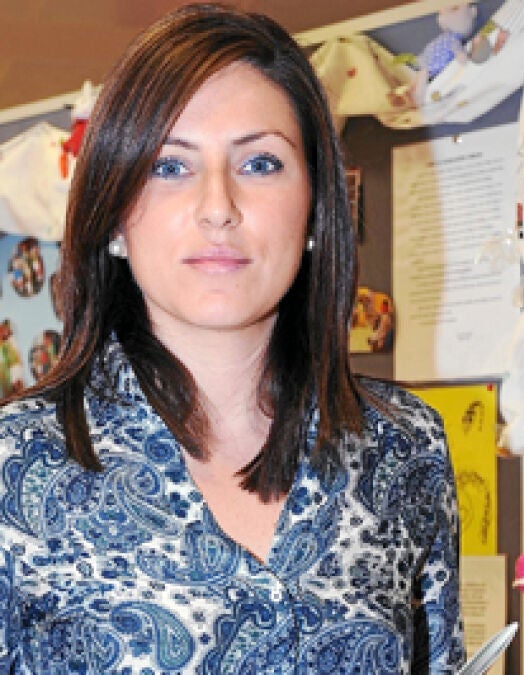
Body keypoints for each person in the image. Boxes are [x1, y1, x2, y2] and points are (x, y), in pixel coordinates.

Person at [0, 4, 465, 672]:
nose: (218, 206)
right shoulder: (17, 464)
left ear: (316, 210)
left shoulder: (404, 447)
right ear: (115, 218)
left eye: (260, 163)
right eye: (169, 167)